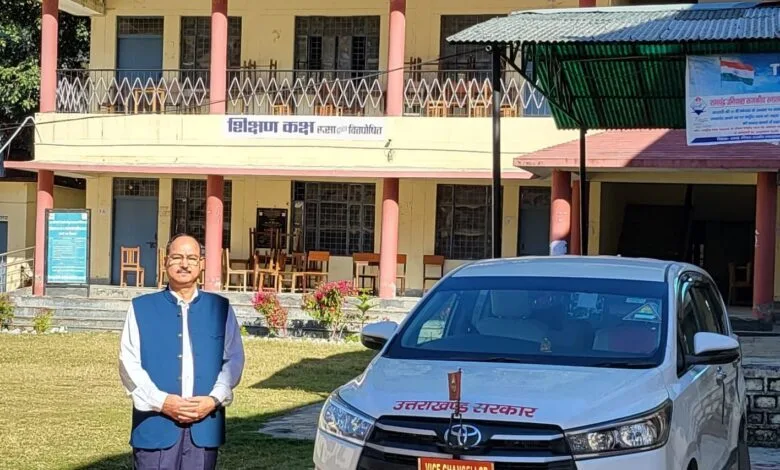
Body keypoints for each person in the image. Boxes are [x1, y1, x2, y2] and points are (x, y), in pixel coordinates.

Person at [118, 233, 245, 470]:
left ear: (201, 264)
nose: (184, 264)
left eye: (192, 258)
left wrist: (213, 399)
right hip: (155, 425)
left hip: (204, 426)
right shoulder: (141, 308)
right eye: (177, 257)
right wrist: (162, 402)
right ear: (165, 261)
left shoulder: (220, 308)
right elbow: (128, 363)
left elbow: (234, 358)